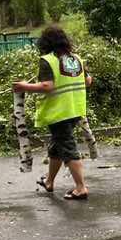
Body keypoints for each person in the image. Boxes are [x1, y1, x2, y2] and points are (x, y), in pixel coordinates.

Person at [13, 25, 92, 201]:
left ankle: (81, 188)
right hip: (75, 109)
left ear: (45, 43)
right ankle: (49, 181)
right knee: (56, 147)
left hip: (59, 112)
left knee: (68, 148)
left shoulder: (48, 60)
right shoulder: (76, 58)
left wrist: (24, 86)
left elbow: (47, 86)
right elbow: (88, 81)